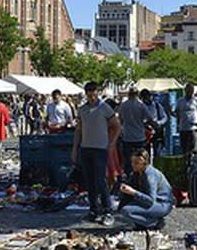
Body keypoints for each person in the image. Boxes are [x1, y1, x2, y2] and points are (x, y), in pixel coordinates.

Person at [72, 82, 121, 227]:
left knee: (100, 180)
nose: (92, 97)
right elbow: (78, 130)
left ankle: (108, 211)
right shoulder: (82, 110)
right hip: (85, 148)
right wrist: (75, 149)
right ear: (86, 94)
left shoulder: (104, 108)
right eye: (89, 94)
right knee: (89, 181)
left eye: (94, 94)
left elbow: (117, 126)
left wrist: (112, 144)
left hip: (100, 149)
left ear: (97, 93)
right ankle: (93, 209)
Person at [117, 148, 174, 230]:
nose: (133, 165)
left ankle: (154, 222)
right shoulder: (136, 173)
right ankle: (143, 224)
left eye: (136, 163)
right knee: (124, 205)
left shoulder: (150, 175)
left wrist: (133, 192)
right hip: (152, 202)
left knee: (126, 211)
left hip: (162, 204)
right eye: (132, 162)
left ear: (143, 163)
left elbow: (150, 200)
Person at [118, 87, 151, 175]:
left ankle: (130, 179)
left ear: (129, 94)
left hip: (127, 137)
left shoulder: (123, 105)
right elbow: (149, 118)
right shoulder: (141, 105)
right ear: (137, 94)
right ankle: (141, 177)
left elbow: (120, 120)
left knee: (129, 162)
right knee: (141, 160)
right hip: (139, 137)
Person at [175, 83, 197, 158]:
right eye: (187, 90)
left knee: (193, 149)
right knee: (184, 149)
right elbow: (177, 113)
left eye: (191, 90)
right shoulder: (180, 101)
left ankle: (193, 163)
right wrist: (178, 124)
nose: (189, 92)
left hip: (193, 128)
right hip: (183, 128)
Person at [141, 89, 169, 159]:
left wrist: (158, 123)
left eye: (148, 96)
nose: (147, 99)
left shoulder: (157, 105)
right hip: (145, 132)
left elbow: (164, 117)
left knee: (157, 152)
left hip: (156, 131)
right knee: (145, 153)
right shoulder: (140, 107)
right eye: (144, 97)